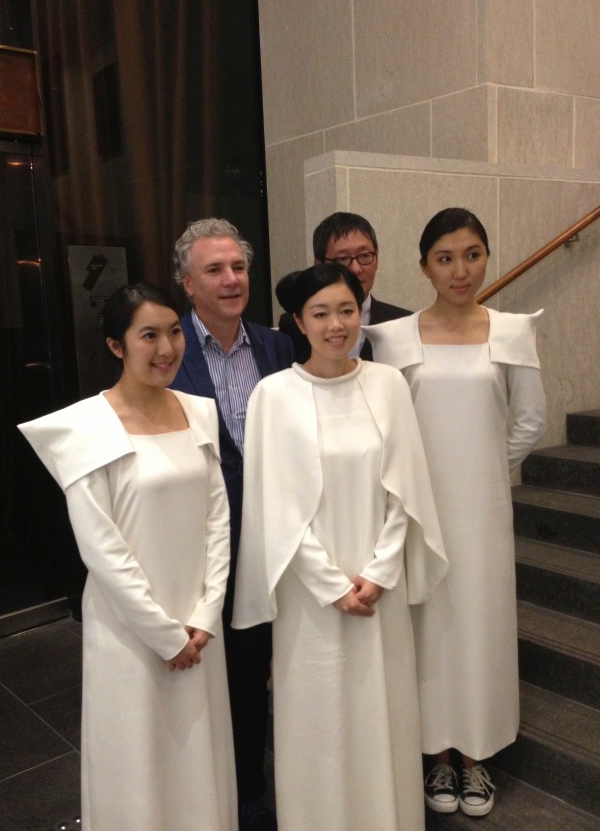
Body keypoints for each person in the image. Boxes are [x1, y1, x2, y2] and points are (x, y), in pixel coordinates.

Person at [233, 263, 448, 831]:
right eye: (321, 314)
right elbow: (272, 507)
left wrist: (377, 574)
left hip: (382, 591)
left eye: (346, 310)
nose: (336, 325)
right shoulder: (272, 395)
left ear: (361, 312)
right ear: (298, 323)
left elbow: (407, 491)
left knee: (384, 714)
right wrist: (332, 585)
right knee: (320, 720)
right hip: (311, 598)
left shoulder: (388, 384)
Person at [18, 283, 236, 830]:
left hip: (198, 622)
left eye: (173, 331)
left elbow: (218, 518)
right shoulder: (87, 426)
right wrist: (164, 634)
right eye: (148, 336)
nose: (166, 348)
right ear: (117, 346)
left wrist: (206, 615)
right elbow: (101, 547)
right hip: (131, 628)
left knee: (199, 750)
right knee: (138, 753)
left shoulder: (198, 412)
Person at [364, 208, 547, 817]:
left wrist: (487, 470)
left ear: (486, 257)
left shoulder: (512, 330)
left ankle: (476, 758)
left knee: (480, 624)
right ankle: (435, 757)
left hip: (484, 509)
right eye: (445, 258)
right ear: (423, 267)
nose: (460, 269)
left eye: (472, 254)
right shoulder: (393, 338)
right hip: (415, 508)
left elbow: (528, 420)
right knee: (428, 629)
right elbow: (382, 425)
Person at [170, 218, 294, 831]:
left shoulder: (277, 347)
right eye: (214, 270)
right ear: (187, 283)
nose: (230, 280)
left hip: (271, 542)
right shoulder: (168, 354)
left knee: (252, 677)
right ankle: (196, 801)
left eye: (239, 267)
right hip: (197, 545)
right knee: (198, 680)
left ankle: (248, 800)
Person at [278, 211, 411, 361]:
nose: (356, 269)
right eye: (343, 259)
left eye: (364, 256)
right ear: (319, 264)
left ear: (377, 258)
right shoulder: (294, 325)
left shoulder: (404, 323)